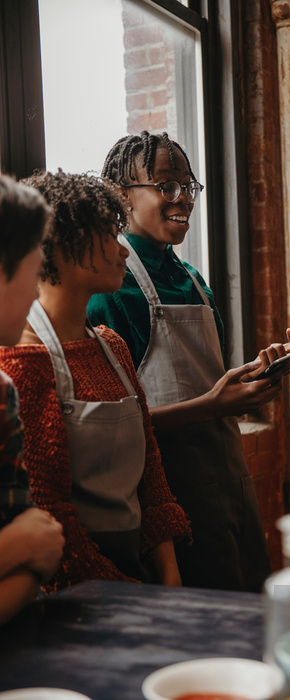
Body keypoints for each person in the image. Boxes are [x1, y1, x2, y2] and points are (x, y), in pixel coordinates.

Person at [87, 131, 290, 592]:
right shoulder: (112, 289)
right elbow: (118, 430)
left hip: (230, 475)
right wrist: (212, 404)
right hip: (170, 494)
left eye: (187, 186)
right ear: (121, 195)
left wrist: (255, 374)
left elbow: (210, 381)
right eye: (165, 185)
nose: (182, 199)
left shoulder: (193, 280)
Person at [0, 170, 190, 593]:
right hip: (79, 590)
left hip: (138, 575)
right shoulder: (23, 361)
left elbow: (151, 475)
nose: (123, 250)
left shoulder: (111, 346)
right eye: (109, 233)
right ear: (66, 244)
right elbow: (49, 509)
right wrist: (123, 591)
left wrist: (168, 571)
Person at [0, 174, 64, 624]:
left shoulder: (2, 395)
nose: (38, 290)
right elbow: (30, 545)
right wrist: (14, 546)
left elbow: (41, 555)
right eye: (34, 269)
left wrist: (26, 548)